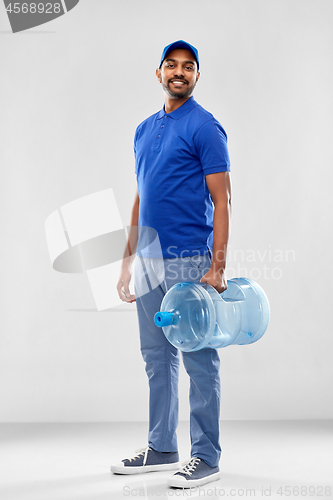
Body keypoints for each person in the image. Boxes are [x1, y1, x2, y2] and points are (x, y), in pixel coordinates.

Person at [111, 40, 231, 489]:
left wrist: (216, 266)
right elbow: (142, 197)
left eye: (188, 67)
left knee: (199, 358)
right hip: (147, 261)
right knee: (156, 357)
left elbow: (222, 201)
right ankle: (162, 446)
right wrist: (127, 260)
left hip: (189, 262)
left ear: (197, 77)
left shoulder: (205, 127)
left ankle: (207, 455)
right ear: (158, 73)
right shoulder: (144, 129)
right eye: (171, 65)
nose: (179, 72)